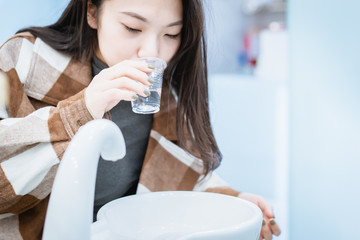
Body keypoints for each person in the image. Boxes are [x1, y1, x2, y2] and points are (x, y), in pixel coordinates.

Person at [0, 0, 281, 239]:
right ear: (92, 13)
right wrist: (82, 109)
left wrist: (230, 200)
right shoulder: (23, 59)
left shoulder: (167, 94)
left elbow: (180, 175)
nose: (152, 53)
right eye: (133, 28)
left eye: (172, 34)